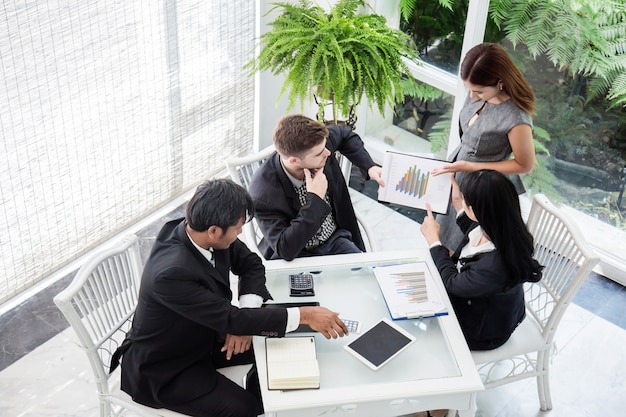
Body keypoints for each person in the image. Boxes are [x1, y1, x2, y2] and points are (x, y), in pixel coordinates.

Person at [113, 178, 348, 417]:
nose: (240, 234)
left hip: (207, 331)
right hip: (166, 367)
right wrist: (304, 313)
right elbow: (231, 318)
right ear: (214, 231)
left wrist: (245, 317)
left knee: (283, 338)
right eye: (238, 228)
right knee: (246, 408)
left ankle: (268, 397)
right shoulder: (170, 275)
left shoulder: (203, 232)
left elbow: (251, 264)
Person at [420, 170, 543, 351]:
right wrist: (457, 202)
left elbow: (452, 283)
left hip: (481, 333)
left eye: (465, 200)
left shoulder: (493, 266)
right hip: (490, 310)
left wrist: (434, 242)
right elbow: (472, 228)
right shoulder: (505, 229)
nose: (462, 201)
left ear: (478, 210)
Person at [434, 42, 537, 250]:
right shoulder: (477, 92)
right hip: (460, 174)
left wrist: (474, 167)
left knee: (464, 244)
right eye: (469, 89)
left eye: (479, 91)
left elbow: (525, 165)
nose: (472, 96)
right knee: (442, 235)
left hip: (484, 189)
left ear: (500, 82)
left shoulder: (515, 118)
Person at [249, 114, 385, 261]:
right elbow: (286, 248)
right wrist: (315, 200)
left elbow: (345, 135)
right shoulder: (262, 194)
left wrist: (369, 166)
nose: (328, 153)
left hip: (335, 240)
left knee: (364, 275)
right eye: (320, 154)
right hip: (299, 254)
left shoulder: (318, 145)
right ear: (294, 161)